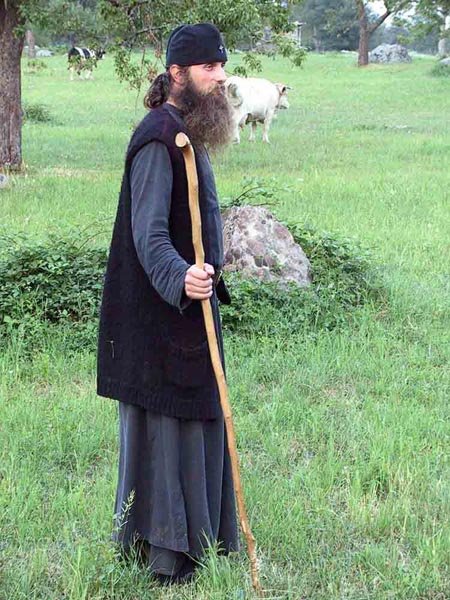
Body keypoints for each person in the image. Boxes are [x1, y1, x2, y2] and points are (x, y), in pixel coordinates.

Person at [96, 23, 239, 585]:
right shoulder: (158, 139)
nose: (220, 76)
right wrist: (183, 279)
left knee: (199, 418)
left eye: (221, 66)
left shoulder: (186, 130)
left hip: (189, 309)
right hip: (160, 316)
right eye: (208, 68)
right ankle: (166, 556)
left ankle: (200, 541)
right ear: (177, 72)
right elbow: (149, 234)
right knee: (166, 425)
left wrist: (205, 275)